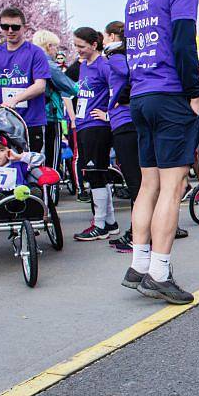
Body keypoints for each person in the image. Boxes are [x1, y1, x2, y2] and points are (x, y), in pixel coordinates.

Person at [121, 0, 199, 304]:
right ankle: (159, 272)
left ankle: (138, 264)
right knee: (173, 188)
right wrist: (194, 90)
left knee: (148, 185)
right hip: (170, 94)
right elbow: (183, 41)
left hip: (141, 95)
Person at [71, 27, 119, 241]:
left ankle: (99, 224)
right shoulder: (83, 66)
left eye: (81, 46)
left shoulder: (104, 65)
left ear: (94, 44)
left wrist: (108, 114)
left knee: (95, 172)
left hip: (97, 126)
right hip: (83, 125)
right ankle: (109, 222)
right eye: (75, 46)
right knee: (95, 173)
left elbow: (119, 88)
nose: (78, 50)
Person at [103, 20, 140, 252]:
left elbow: (129, 74)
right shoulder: (123, 54)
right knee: (139, 182)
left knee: (137, 183)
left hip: (126, 123)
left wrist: (121, 96)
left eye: (105, 37)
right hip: (126, 122)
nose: (104, 41)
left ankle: (139, 235)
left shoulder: (116, 56)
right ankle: (138, 232)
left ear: (115, 37)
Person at [0, 7, 51, 152]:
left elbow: (40, 86)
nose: (10, 31)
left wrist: (15, 100)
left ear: (24, 28)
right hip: (2, 123)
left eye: (15, 27)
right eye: (5, 27)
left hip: (30, 122)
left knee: (32, 168)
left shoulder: (36, 53)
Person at [31, 30, 78, 176]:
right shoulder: (48, 64)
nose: (56, 51)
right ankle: (50, 195)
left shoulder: (30, 60)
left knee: (34, 158)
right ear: (48, 46)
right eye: (55, 47)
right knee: (51, 161)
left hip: (32, 116)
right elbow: (70, 87)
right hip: (50, 115)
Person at [0, 134, 45, 206]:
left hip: (20, 195)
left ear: (9, 151)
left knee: (32, 185)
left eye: (1, 150)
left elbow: (40, 158)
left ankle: (32, 195)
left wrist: (19, 157)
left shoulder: (18, 165)